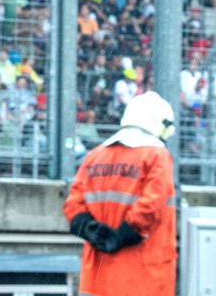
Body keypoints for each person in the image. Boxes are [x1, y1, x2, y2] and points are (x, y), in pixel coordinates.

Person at [63, 92, 177, 296]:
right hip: (142, 277)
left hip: (97, 280)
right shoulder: (157, 156)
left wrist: (94, 231)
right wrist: (122, 235)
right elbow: (151, 206)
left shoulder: (95, 156)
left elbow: (73, 207)